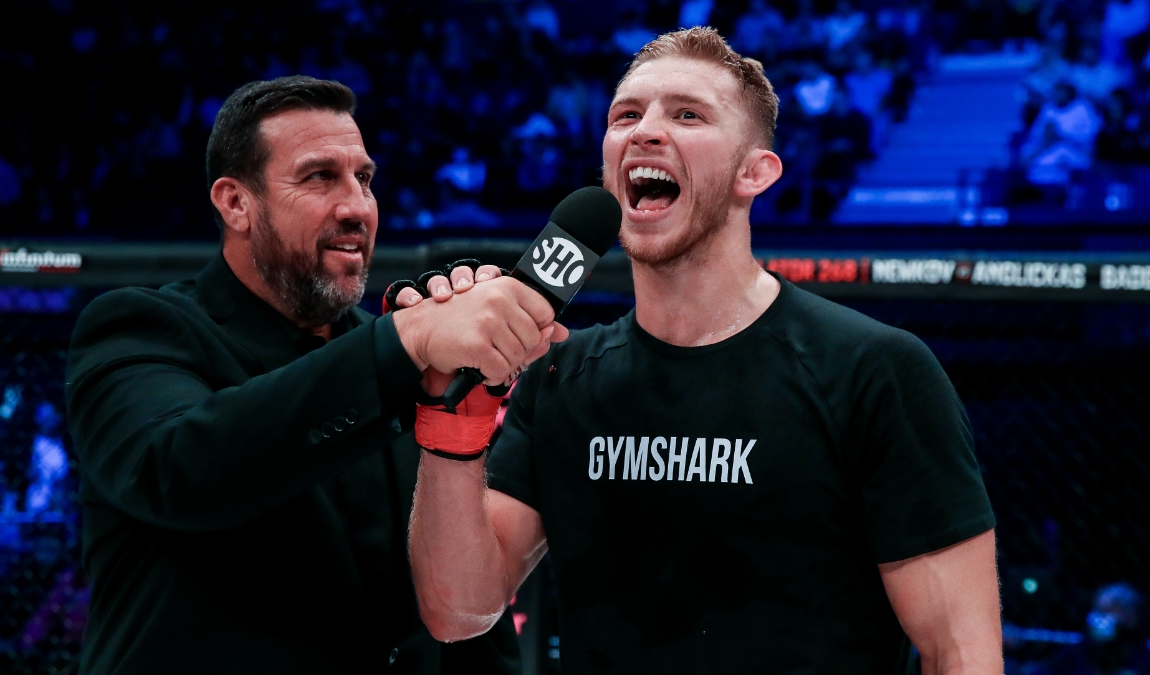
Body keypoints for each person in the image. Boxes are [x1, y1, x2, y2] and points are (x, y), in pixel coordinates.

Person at [407, 28, 1002, 673]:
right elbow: (457, 611)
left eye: (687, 115)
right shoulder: (561, 376)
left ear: (755, 172)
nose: (645, 131)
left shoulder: (874, 371)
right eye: (626, 116)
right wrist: (450, 419)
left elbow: (959, 650)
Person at [65, 76, 564, 674]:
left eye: (364, 179)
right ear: (235, 203)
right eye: (319, 177)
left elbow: (461, 622)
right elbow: (177, 468)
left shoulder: (406, 358)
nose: (357, 207)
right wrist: (405, 340)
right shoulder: (139, 328)